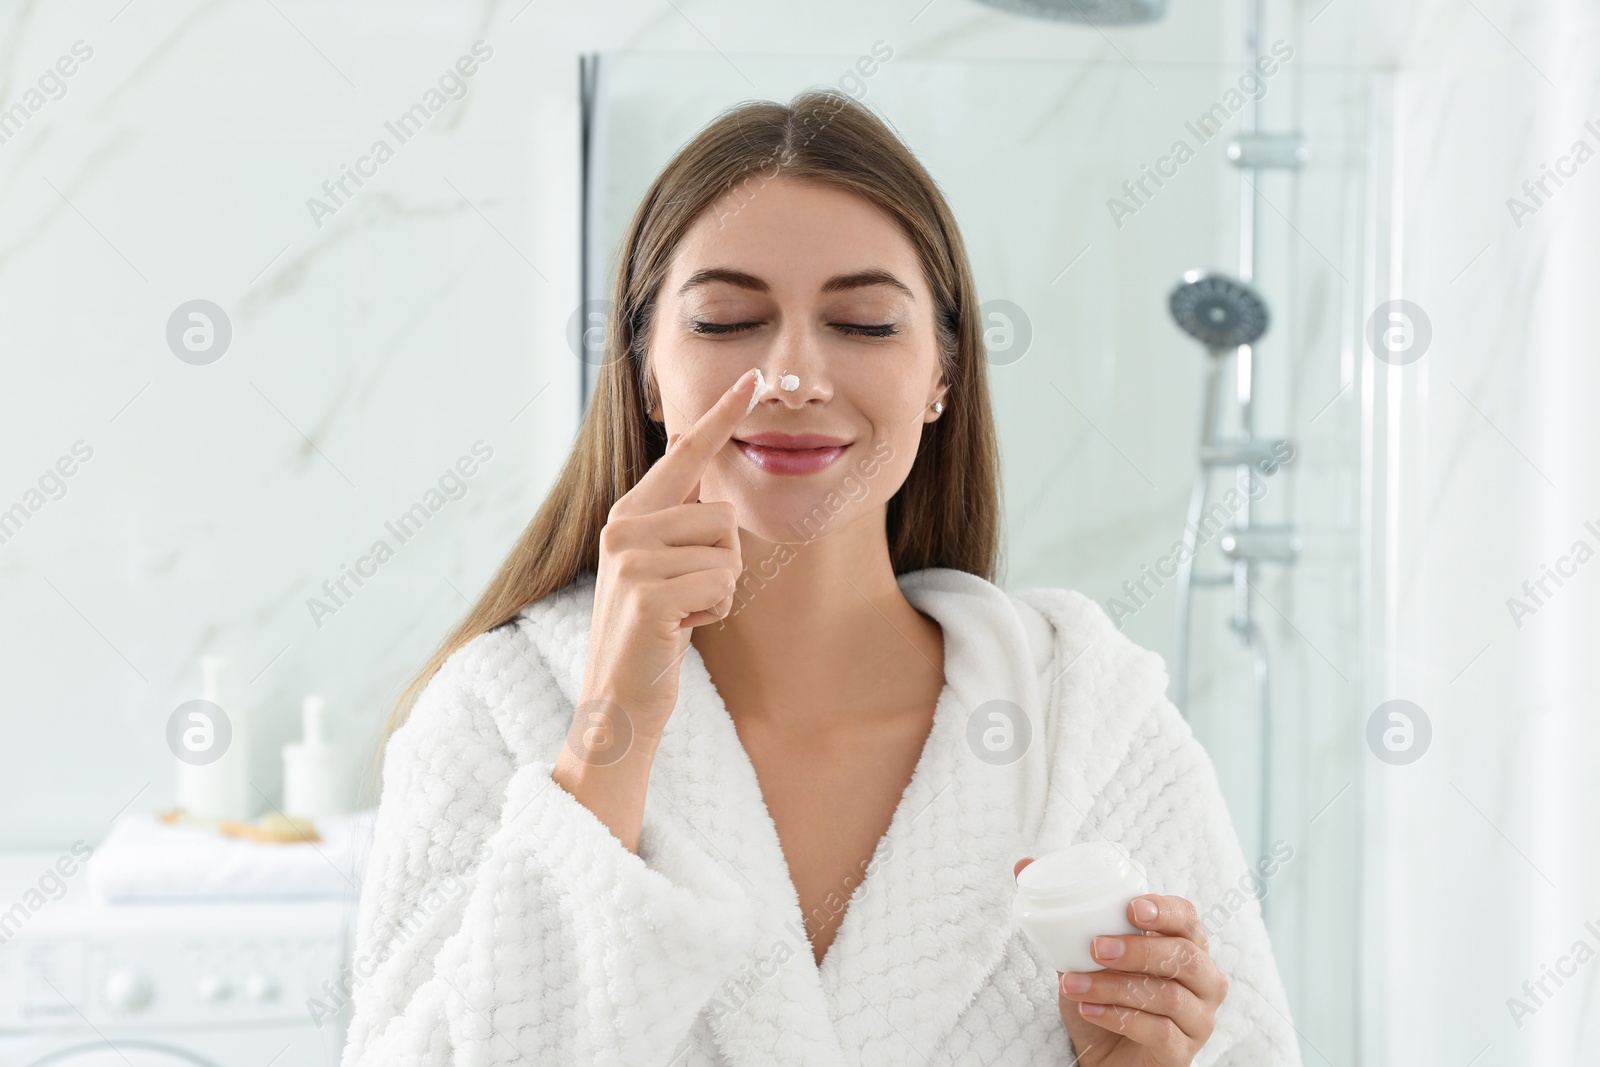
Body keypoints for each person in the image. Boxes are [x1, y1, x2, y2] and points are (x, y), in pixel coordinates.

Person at [339, 88, 1302, 1066]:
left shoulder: (1090, 728)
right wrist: (611, 730)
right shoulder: (494, 716)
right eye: (724, 320)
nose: (793, 373)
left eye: (865, 324)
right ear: (644, 373)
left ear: (941, 376)